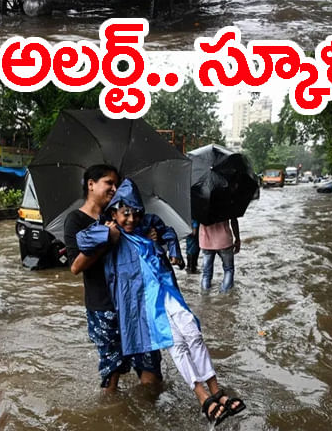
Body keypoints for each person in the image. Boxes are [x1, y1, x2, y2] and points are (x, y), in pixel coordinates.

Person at [78, 179, 247, 425]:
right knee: (175, 342)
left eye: (136, 213)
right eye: (125, 214)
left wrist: (175, 253)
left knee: (192, 331)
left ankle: (217, 391)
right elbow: (83, 241)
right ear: (114, 211)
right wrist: (109, 231)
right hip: (140, 301)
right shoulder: (106, 231)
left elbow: (168, 232)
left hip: (165, 289)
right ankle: (204, 399)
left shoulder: (147, 224)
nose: (131, 220)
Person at [65, 164, 163, 394]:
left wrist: (150, 238)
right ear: (91, 184)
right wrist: (106, 239)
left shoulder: (124, 212)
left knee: (150, 368)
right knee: (112, 372)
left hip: (137, 302)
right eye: (109, 182)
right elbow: (75, 266)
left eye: (117, 184)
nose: (114, 188)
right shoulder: (76, 221)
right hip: (103, 305)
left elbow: (146, 254)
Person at [199, 216, 241, 293]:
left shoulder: (200, 207)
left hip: (206, 241)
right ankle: (224, 293)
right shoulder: (226, 204)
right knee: (228, 269)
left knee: (206, 273)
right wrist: (237, 239)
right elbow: (234, 221)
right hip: (224, 241)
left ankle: (205, 296)